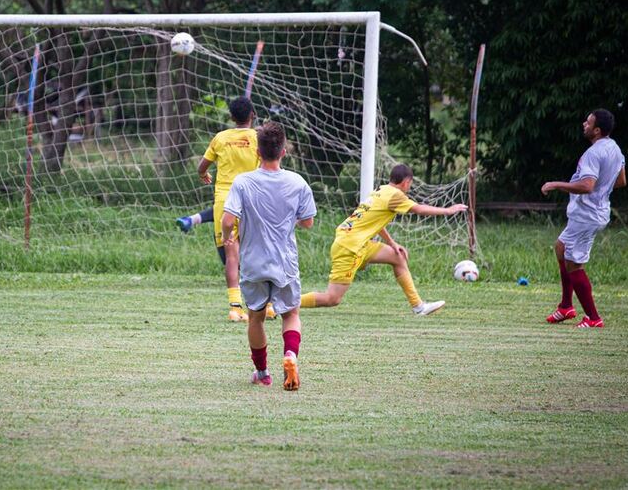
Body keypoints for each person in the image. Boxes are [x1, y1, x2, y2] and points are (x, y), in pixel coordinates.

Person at [300, 163, 466, 316]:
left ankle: (419, 306)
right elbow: (419, 209)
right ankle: (279, 306)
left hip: (358, 242)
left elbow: (374, 221)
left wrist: (392, 244)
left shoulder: (380, 191)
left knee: (397, 257)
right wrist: (448, 210)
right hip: (350, 246)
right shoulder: (396, 195)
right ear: (407, 181)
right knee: (332, 299)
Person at [221, 122, 315, 390]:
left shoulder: (243, 182)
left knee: (256, 318)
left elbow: (229, 219)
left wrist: (228, 234)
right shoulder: (297, 182)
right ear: (283, 151)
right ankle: (290, 355)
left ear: (258, 153)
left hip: (253, 262)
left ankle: (262, 373)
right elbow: (307, 222)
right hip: (285, 262)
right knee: (291, 313)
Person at [540, 109, 626, 328]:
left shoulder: (593, 153)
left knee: (574, 265)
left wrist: (556, 184)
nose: (583, 125)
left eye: (588, 123)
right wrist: (602, 189)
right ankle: (566, 307)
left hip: (587, 215)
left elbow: (587, 186)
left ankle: (593, 318)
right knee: (561, 248)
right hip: (592, 212)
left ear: (597, 130)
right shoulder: (614, 148)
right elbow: (621, 181)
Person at [180, 96, 263, 322]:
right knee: (258, 252)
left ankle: (235, 308)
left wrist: (203, 175)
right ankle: (269, 305)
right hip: (252, 200)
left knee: (231, 256)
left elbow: (202, 166)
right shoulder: (258, 138)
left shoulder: (220, 138)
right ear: (252, 115)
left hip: (225, 201)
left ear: (231, 117)